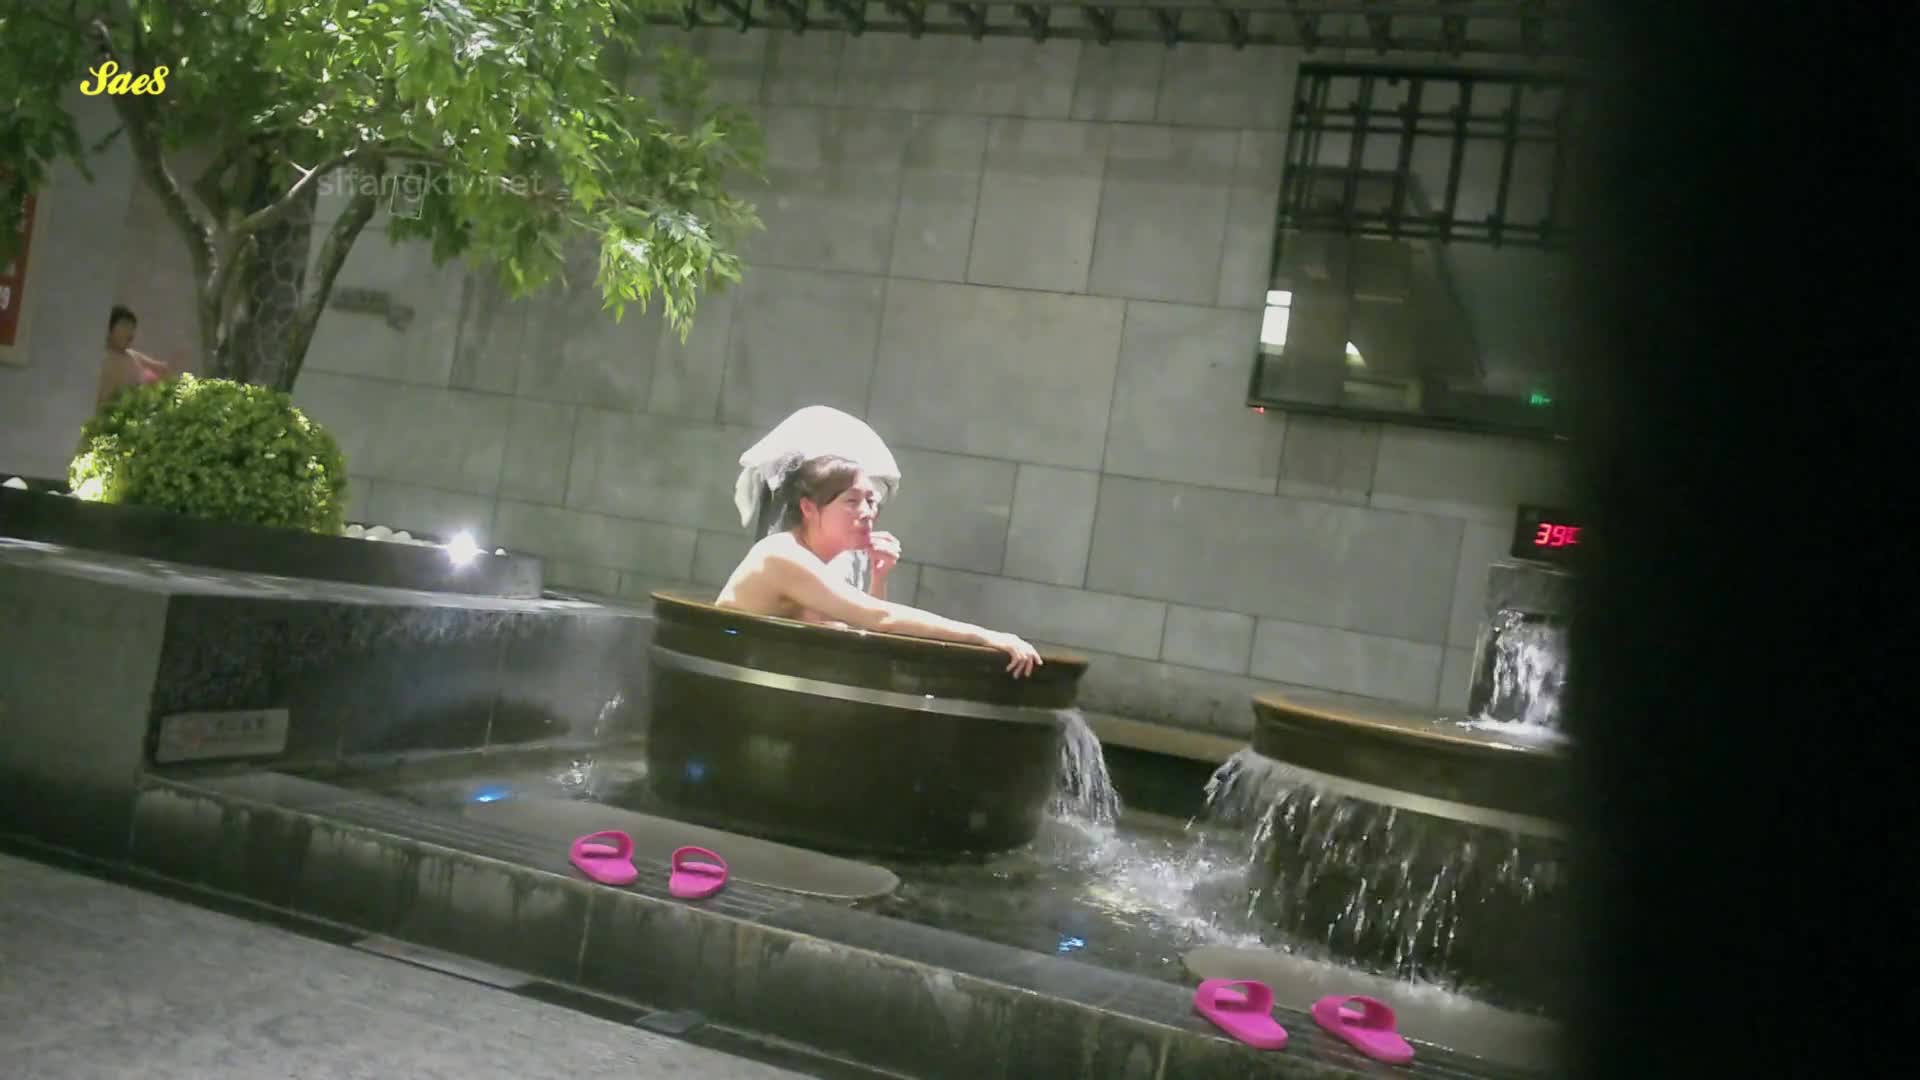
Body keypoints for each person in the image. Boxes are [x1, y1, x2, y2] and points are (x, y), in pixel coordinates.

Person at [715, 454, 1045, 678]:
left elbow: (866, 634)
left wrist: (878, 577)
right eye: (851, 501)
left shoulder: (817, 563)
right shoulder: (781, 555)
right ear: (809, 508)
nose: (867, 512)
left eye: (871, 501)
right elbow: (880, 619)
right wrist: (988, 637)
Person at [95, 304, 171, 406]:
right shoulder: (102, 357)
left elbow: (162, 368)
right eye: (124, 326)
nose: (130, 332)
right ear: (108, 329)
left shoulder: (132, 355)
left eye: (132, 327)